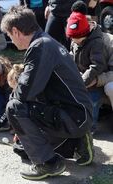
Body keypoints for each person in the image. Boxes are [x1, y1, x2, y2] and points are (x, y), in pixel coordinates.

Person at [1, 6, 94, 180]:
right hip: (77, 113)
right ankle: (77, 142)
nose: (11, 41)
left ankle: (48, 164)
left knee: (14, 108)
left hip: (73, 116)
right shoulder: (46, 41)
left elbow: (24, 93)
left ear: (16, 31)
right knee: (22, 149)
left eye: (10, 36)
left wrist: (16, 122)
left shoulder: (39, 47)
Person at [66, 1, 108, 133]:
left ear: (86, 33)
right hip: (80, 79)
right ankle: (78, 121)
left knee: (92, 101)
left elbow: (97, 65)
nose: (74, 41)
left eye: (76, 38)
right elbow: (72, 56)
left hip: (94, 81)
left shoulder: (96, 42)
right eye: (72, 38)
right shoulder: (75, 40)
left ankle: (91, 126)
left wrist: (84, 80)